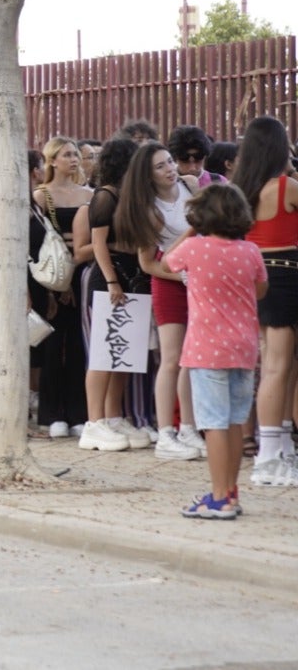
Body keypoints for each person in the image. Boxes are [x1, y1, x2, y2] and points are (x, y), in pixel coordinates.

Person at [166, 184, 267, 518]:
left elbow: (166, 263)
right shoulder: (250, 251)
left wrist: (191, 230)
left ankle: (219, 496)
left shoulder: (194, 247)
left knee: (214, 424)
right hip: (244, 347)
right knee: (236, 421)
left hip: (206, 348)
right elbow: (261, 290)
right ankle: (231, 492)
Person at [114, 140, 202, 460]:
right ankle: (166, 433)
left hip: (200, 279)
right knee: (171, 358)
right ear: (147, 175)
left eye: (169, 162)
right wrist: (183, 278)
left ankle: (189, 428)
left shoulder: (191, 186)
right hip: (170, 283)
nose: (170, 170)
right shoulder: (150, 210)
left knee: (192, 359)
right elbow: (148, 264)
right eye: (160, 166)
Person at [73, 138, 153, 451]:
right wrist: (111, 281)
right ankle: (94, 423)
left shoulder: (134, 197)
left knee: (124, 355)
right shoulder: (106, 196)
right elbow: (98, 244)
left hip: (133, 276)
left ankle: (114, 416)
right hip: (111, 277)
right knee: (104, 352)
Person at [231, 116, 298, 486]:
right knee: (277, 367)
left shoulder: (239, 190)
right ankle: (270, 456)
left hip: (254, 277)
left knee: (279, 366)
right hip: (284, 276)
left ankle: (281, 448)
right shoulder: (286, 187)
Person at [34, 136, 93, 437]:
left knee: (79, 345)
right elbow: (38, 242)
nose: (74, 159)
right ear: (52, 160)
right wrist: (52, 286)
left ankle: (78, 413)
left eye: (75, 154)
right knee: (53, 345)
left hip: (83, 273)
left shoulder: (89, 194)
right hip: (52, 277)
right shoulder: (41, 195)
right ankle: (51, 414)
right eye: (67, 154)